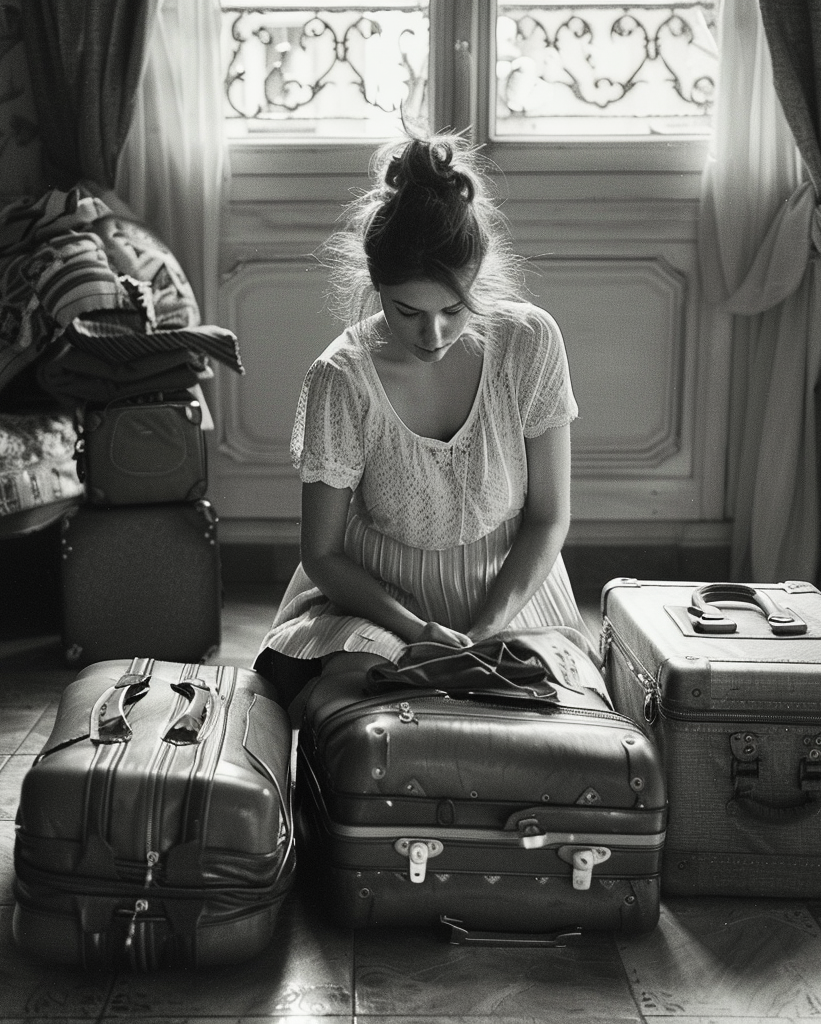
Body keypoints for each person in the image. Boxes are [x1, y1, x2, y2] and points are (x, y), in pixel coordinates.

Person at [254, 130, 597, 718]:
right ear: (376, 288)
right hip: (373, 604)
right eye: (406, 311)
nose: (431, 336)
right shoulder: (343, 376)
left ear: (478, 281)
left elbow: (549, 517)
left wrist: (486, 629)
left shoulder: (530, 342)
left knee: (542, 724)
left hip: (511, 594)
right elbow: (323, 554)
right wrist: (415, 630)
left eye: (453, 311)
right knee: (361, 708)